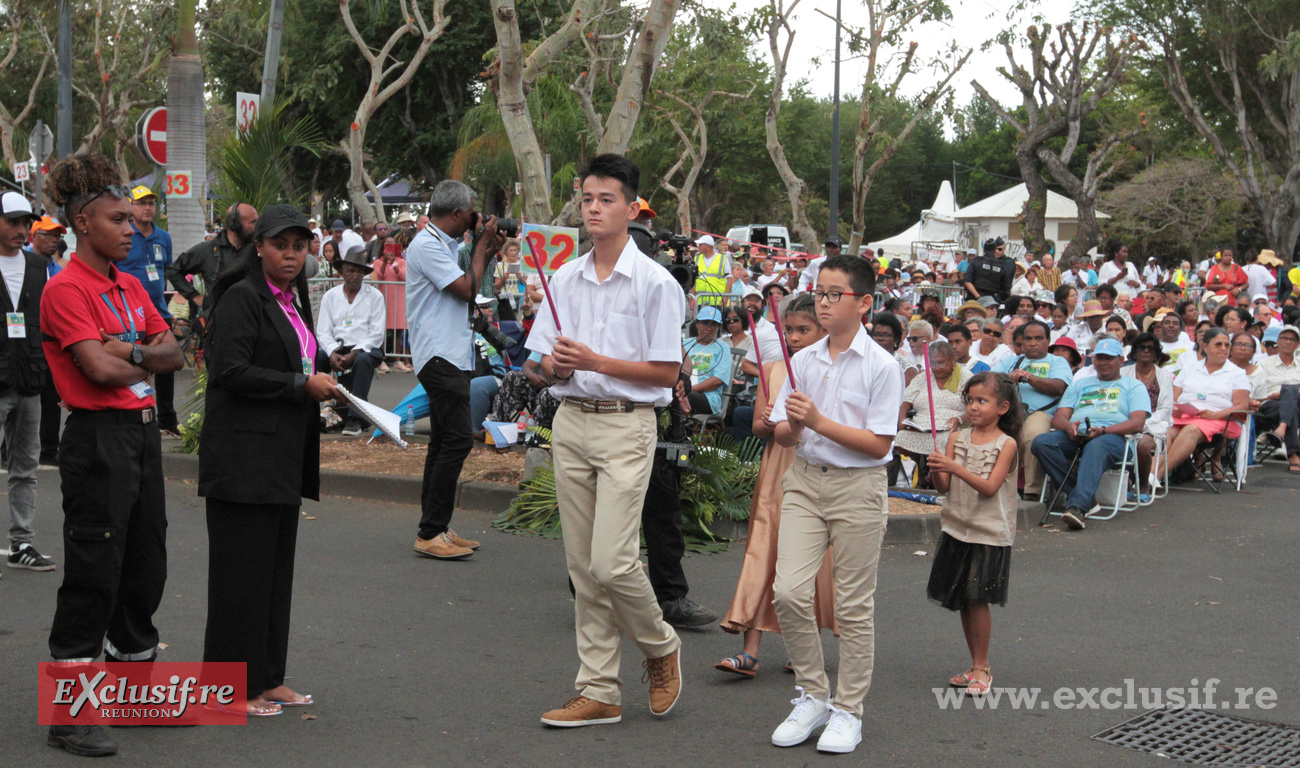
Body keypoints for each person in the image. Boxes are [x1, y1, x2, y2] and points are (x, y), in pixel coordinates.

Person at [527, 155, 683, 728]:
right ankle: (598, 690)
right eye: (587, 198)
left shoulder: (656, 283)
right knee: (582, 567)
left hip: (626, 424)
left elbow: (667, 372)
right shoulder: (563, 277)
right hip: (570, 421)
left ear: (632, 207)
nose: (593, 208)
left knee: (613, 562)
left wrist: (596, 361)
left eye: (606, 199)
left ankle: (660, 645)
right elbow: (541, 362)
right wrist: (557, 365)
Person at [41, 153, 185, 757]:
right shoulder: (64, 289)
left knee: (144, 563)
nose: (132, 228)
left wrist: (123, 347)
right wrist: (134, 351)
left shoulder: (128, 285)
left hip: (143, 435)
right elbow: (96, 371)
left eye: (132, 217)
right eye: (118, 218)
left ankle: (131, 695)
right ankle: (69, 716)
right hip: (97, 438)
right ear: (81, 221)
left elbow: (174, 351)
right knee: (94, 572)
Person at [199, 203, 337, 717]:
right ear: (258, 247)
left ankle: (267, 678)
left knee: (274, 577)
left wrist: (326, 365)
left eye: (300, 247)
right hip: (243, 462)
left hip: (281, 458)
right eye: (281, 245)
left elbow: (296, 357)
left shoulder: (291, 302)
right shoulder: (243, 297)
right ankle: (228, 690)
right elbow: (230, 372)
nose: (291, 255)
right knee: (241, 579)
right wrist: (301, 384)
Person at [768, 255, 901, 755]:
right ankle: (812, 694)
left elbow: (879, 445)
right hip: (804, 479)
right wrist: (794, 424)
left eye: (833, 294)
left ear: (864, 303)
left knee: (852, 605)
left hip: (858, 487)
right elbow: (783, 434)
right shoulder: (803, 359)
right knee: (789, 592)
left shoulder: (883, 366)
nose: (822, 302)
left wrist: (817, 421)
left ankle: (848, 710)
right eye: (818, 291)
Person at [717, 294, 837, 677]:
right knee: (762, 548)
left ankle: (805, 644)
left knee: (815, 555)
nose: (795, 337)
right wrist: (771, 420)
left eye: (804, 330)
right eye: (789, 330)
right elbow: (757, 428)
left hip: (819, 465)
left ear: (823, 329)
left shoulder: (835, 370)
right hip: (777, 470)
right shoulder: (772, 369)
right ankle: (749, 649)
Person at [406, 181, 504, 560]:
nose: (475, 218)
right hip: (439, 355)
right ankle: (430, 532)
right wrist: (480, 247)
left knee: (443, 441)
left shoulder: (443, 244)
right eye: (472, 212)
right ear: (458, 213)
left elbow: (476, 278)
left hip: (450, 353)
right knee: (460, 440)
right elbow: (466, 288)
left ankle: (435, 527)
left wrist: (487, 248)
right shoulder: (427, 245)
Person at [925, 371, 1020, 696]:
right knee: (965, 599)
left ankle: (982, 666)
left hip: (988, 532)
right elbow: (944, 487)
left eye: (982, 400)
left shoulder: (1006, 444)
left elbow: (990, 488)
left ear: (1003, 407)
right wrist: (938, 469)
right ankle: (974, 664)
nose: (974, 407)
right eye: (970, 400)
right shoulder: (957, 437)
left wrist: (954, 468)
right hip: (957, 527)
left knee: (978, 599)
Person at [1032, 337, 1151, 529]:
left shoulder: (1133, 386)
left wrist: (1104, 430)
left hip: (1116, 438)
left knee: (1097, 445)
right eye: (1099, 358)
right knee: (1042, 442)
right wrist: (1068, 426)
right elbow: (1059, 417)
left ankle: (1078, 507)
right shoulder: (1080, 384)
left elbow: (1137, 423)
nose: (1103, 362)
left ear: (1121, 360)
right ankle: (1086, 500)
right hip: (1078, 433)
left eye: (1109, 358)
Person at [0, 191, 52, 571]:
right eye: (13, 222)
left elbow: (46, 322)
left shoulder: (37, 266)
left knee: (25, 468)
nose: (21, 230)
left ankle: (22, 545)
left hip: (30, 380)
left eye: (25, 223)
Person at [118, 185, 179, 435]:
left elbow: (165, 272)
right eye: (141, 203)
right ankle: (132, 415)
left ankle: (167, 421)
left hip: (158, 313)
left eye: (151, 203)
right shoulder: (123, 235)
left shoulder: (163, 237)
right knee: (132, 363)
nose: (147, 208)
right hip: (127, 315)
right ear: (130, 207)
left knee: (165, 364)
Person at [1156, 327, 1251, 483]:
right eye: (1218, 344)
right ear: (1205, 346)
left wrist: (1215, 415)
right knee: (1164, 433)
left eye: (1227, 345)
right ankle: (1149, 476)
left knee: (1191, 430)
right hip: (1185, 416)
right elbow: (1174, 397)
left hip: (1220, 420)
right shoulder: (1189, 369)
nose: (1223, 348)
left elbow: (1241, 405)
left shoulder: (1237, 373)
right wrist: (1175, 408)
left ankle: (1158, 475)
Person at [991, 320, 1073, 498]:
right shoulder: (1012, 361)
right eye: (1028, 339)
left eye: (1038, 338)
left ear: (1048, 341)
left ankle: (1032, 492)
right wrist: (1009, 378)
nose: (1033, 343)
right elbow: (989, 381)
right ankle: (986, 485)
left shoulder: (1057, 361)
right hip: (1010, 412)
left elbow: (1059, 387)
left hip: (1041, 413)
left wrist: (1027, 378)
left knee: (1033, 435)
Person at [316, 245, 386, 435]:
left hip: (366, 348)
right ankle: (321, 410)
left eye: (359, 271)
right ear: (342, 273)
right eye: (350, 271)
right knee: (317, 359)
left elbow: (377, 333)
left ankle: (355, 418)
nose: (355, 275)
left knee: (363, 361)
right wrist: (331, 352)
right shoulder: (330, 296)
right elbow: (322, 331)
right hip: (338, 347)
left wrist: (355, 352)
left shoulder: (375, 296)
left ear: (364, 274)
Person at [894, 340, 970, 478]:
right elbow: (905, 403)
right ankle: (919, 472)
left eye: (941, 362)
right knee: (900, 438)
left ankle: (940, 478)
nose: (936, 367)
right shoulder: (923, 377)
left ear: (952, 360)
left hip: (951, 427)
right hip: (921, 425)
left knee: (945, 440)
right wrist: (902, 420)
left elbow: (974, 407)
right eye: (932, 363)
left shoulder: (966, 377)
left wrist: (959, 419)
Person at [168, 202, 257, 316]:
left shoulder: (258, 249)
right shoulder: (207, 250)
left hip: (251, 317)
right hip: (219, 322)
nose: (257, 226)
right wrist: (194, 296)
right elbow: (173, 271)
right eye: (253, 222)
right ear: (235, 225)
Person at [28, 216, 68, 465]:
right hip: (27, 341)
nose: (54, 240)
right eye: (48, 235)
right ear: (33, 236)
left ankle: (49, 450)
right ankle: (7, 449)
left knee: (52, 398)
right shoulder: (21, 264)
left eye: (58, 236)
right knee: (22, 397)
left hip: (51, 341)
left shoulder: (59, 270)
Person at [1123, 333, 1173, 495]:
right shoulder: (1123, 373)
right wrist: (1131, 423)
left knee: (1143, 445)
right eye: (1141, 347)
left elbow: (1165, 409)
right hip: (1125, 422)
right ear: (1134, 352)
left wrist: (1143, 423)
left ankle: (1143, 482)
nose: (1146, 351)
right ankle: (1123, 480)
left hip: (1153, 425)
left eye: (1150, 348)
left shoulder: (1165, 377)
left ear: (1156, 353)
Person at [1256, 325, 1300, 473]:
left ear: (1298, 344)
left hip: (1295, 403)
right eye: (1284, 338)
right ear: (1278, 342)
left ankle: (1282, 428)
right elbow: (1256, 394)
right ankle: (1293, 454)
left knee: (1291, 392)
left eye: (1292, 339)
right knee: (1290, 392)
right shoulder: (1263, 364)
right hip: (1270, 404)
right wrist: (1271, 395)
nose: (1288, 342)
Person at [373, 230, 412, 372]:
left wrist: (394, 263)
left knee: (398, 330)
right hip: (384, 298)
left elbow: (404, 277)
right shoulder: (377, 262)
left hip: (399, 298)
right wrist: (385, 262)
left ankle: (397, 360)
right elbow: (380, 275)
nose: (389, 246)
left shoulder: (402, 262)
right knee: (382, 330)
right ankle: (380, 361)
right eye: (386, 244)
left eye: (392, 244)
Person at [682, 305, 732, 416]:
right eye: (705, 323)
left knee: (683, 397)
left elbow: (717, 381)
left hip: (708, 397)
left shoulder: (723, 348)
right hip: (682, 389)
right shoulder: (685, 344)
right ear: (697, 324)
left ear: (718, 327)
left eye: (713, 324)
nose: (709, 328)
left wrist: (688, 390)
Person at [963, 237, 1014, 308]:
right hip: (992, 302)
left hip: (974, 301)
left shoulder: (976, 261)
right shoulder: (1001, 265)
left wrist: (979, 297)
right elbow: (1006, 287)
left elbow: (967, 281)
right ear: (995, 251)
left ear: (984, 250)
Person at [693, 234, 731, 302]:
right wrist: (693, 298)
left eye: (700, 245)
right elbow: (694, 280)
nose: (698, 247)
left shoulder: (722, 259)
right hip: (700, 300)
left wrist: (726, 298)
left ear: (707, 246)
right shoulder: (697, 259)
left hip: (717, 301)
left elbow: (730, 279)